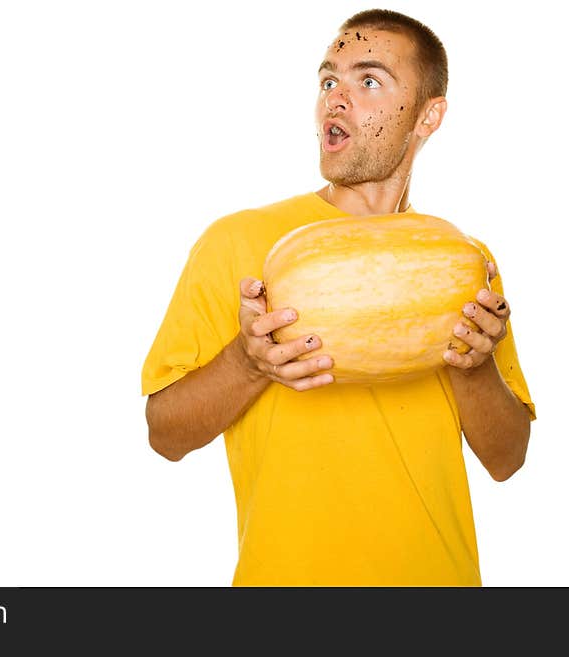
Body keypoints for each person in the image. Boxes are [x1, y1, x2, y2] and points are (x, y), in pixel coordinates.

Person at [141, 9, 536, 586]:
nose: (336, 99)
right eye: (329, 80)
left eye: (368, 80)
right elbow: (163, 433)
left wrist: (474, 370)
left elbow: (508, 460)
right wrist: (248, 363)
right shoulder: (237, 241)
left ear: (429, 115)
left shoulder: (464, 260)